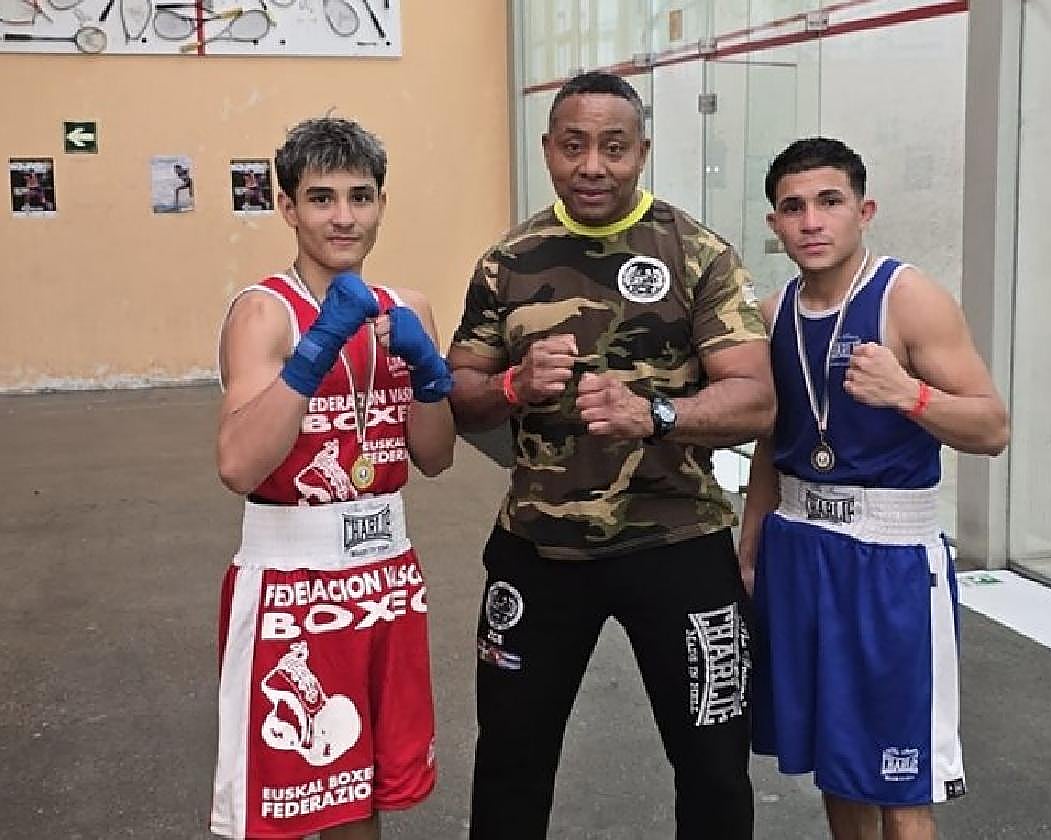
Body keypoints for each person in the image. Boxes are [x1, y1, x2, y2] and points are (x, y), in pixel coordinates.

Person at [447, 70, 776, 840]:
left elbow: (756, 400)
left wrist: (656, 412)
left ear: (643, 153)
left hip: (678, 542)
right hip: (540, 547)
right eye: (573, 146)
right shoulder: (510, 261)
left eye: (614, 147)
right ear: (548, 151)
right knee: (511, 763)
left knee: (714, 766)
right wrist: (513, 384)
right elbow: (459, 396)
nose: (593, 165)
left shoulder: (696, 254)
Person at [738, 137, 1010, 840]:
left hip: (887, 559)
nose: (812, 221)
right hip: (798, 550)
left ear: (864, 210)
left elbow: (992, 427)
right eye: (793, 208)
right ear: (775, 226)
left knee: (899, 781)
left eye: (830, 202)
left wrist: (910, 394)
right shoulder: (773, 316)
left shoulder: (908, 298)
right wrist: (750, 548)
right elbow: (771, 440)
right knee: (836, 764)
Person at [211, 116, 455, 840]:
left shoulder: (406, 309)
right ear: (287, 207)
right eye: (321, 198)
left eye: (360, 196)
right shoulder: (267, 313)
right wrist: (314, 349)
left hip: (384, 575)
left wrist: (431, 378)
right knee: (287, 800)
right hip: (293, 578)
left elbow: (435, 458)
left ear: (382, 202)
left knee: (361, 797)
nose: (343, 216)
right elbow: (237, 464)